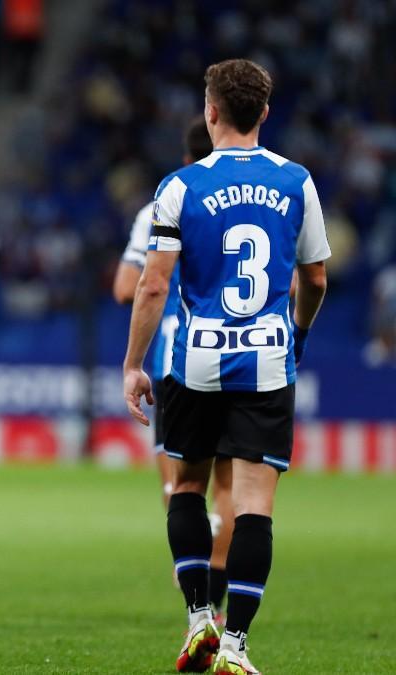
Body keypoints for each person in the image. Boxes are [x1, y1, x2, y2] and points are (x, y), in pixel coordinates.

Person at [123, 59, 330, 675]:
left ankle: (197, 621)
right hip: (268, 362)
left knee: (186, 487)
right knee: (253, 505)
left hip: (197, 363)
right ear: (264, 113)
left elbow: (153, 286)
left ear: (210, 111)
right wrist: (296, 330)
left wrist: (135, 364)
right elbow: (316, 277)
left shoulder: (180, 187)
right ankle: (236, 645)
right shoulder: (298, 182)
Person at [113, 118, 234, 622]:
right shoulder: (266, 195)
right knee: (233, 486)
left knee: (181, 486)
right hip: (248, 359)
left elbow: (127, 287)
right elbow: (300, 281)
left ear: (186, 158)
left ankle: (196, 599)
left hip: (179, 360)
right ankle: (224, 607)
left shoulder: (165, 202)